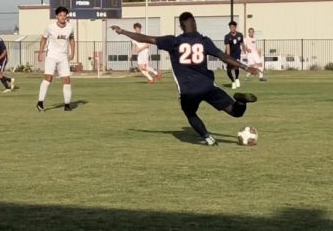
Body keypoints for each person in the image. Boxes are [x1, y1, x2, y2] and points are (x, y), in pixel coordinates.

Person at [111, 12, 260, 146]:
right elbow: (223, 56)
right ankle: (241, 101)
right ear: (195, 23)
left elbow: (147, 38)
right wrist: (245, 67)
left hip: (188, 90)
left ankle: (207, 138)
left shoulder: (173, 41)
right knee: (236, 112)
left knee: (190, 113)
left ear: (181, 26)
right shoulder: (204, 41)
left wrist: (123, 31)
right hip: (207, 86)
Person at [37, 6, 75, 112]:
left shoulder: (70, 27)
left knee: (67, 80)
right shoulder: (50, 27)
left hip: (63, 57)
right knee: (48, 78)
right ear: (56, 16)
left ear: (66, 16)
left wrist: (72, 53)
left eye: (64, 15)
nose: (63, 17)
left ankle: (67, 105)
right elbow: (43, 39)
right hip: (52, 56)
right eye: (60, 15)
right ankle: (40, 102)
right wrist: (40, 52)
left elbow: (72, 39)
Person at [224, 21, 244, 89]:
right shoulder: (227, 36)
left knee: (236, 66)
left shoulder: (240, 35)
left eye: (233, 27)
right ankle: (233, 81)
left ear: (235, 27)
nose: (232, 28)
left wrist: (244, 51)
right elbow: (227, 47)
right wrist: (227, 56)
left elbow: (242, 44)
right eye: (231, 27)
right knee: (229, 69)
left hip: (237, 54)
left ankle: (237, 79)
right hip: (230, 55)